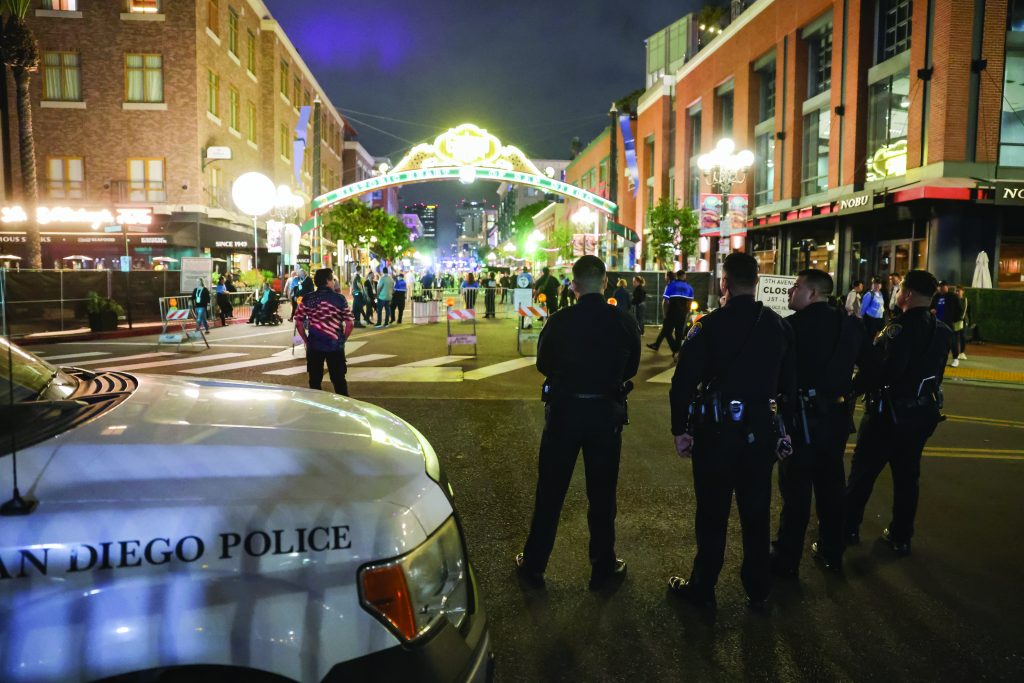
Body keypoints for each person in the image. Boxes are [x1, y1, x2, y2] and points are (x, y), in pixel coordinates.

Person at [667, 252, 796, 610]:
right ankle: (758, 587)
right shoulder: (779, 326)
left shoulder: (707, 326)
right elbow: (789, 386)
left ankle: (703, 587)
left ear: (725, 282)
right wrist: (786, 432)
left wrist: (680, 430)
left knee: (712, 513)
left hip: (717, 433)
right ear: (757, 282)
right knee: (756, 511)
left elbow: (681, 384)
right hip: (761, 432)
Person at [516, 255, 641, 591]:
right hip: (605, 414)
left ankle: (535, 564)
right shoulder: (623, 321)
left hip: (565, 413)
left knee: (551, 492)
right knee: (602, 495)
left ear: (573, 286)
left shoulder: (559, 321)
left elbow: (543, 363)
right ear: (604, 283)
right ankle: (602, 566)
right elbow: (632, 367)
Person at [845, 270, 952, 556]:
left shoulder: (897, 329)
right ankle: (901, 535)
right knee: (907, 477)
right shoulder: (942, 331)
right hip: (921, 413)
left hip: (888, 414)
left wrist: (851, 389)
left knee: (863, 472)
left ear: (907, 293)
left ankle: (848, 528)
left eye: (901, 289)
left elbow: (880, 370)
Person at [770, 269, 866, 577]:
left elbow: (774, 375)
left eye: (795, 287)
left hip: (799, 421)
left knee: (796, 493)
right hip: (836, 419)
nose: (789, 293)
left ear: (812, 293)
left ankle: (787, 561)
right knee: (831, 487)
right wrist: (848, 391)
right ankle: (832, 551)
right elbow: (875, 367)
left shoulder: (789, 328)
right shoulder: (850, 325)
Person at [293, 268, 354, 396]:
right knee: (339, 380)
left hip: (314, 345)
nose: (334, 282)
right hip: (335, 345)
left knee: (315, 381)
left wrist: (306, 340)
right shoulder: (339, 299)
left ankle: (316, 408)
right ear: (327, 281)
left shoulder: (308, 299)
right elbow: (350, 323)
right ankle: (344, 408)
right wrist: (343, 339)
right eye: (332, 279)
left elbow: (298, 322)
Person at [648, 270, 693, 357]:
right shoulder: (689, 287)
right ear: (684, 276)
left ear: (677, 276)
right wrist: (686, 311)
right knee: (679, 334)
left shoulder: (671, 285)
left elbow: (665, 301)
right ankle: (677, 351)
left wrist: (665, 313)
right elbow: (690, 301)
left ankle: (674, 349)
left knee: (667, 332)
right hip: (682, 314)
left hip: (671, 313)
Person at [930, 282, 964, 367]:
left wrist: (954, 320)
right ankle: (938, 358)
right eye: (940, 286)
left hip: (949, 323)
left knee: (953, 341)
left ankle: (955, 359)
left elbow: (960, 309)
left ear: (947, 287)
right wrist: (932, 310)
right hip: (937, 323)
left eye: (942, 286)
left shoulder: (953, 296)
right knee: (938, 341)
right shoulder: (936, 296)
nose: (941, 288)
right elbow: (931, 306)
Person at [955, 286, 969, 359]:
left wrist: (962, 319)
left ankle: (962, 353)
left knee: (963, 336)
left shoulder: (965, 300)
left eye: (958, 291)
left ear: (962, 291)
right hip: (956, 321)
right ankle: (956, 353)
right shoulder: (954, 300)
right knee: (956, 337)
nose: (957, 292)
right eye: (956, 291)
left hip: (963, 321)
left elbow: (965, 310)